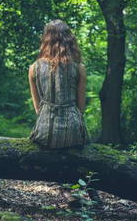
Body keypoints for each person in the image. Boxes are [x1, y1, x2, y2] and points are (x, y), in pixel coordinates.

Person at [28, 19, 90, 149]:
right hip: (73, 133)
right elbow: (81, 108)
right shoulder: (79, 68)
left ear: (46, 40)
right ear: (69, 40)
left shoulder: (34, 68)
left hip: (45, 133)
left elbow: (38, 109)